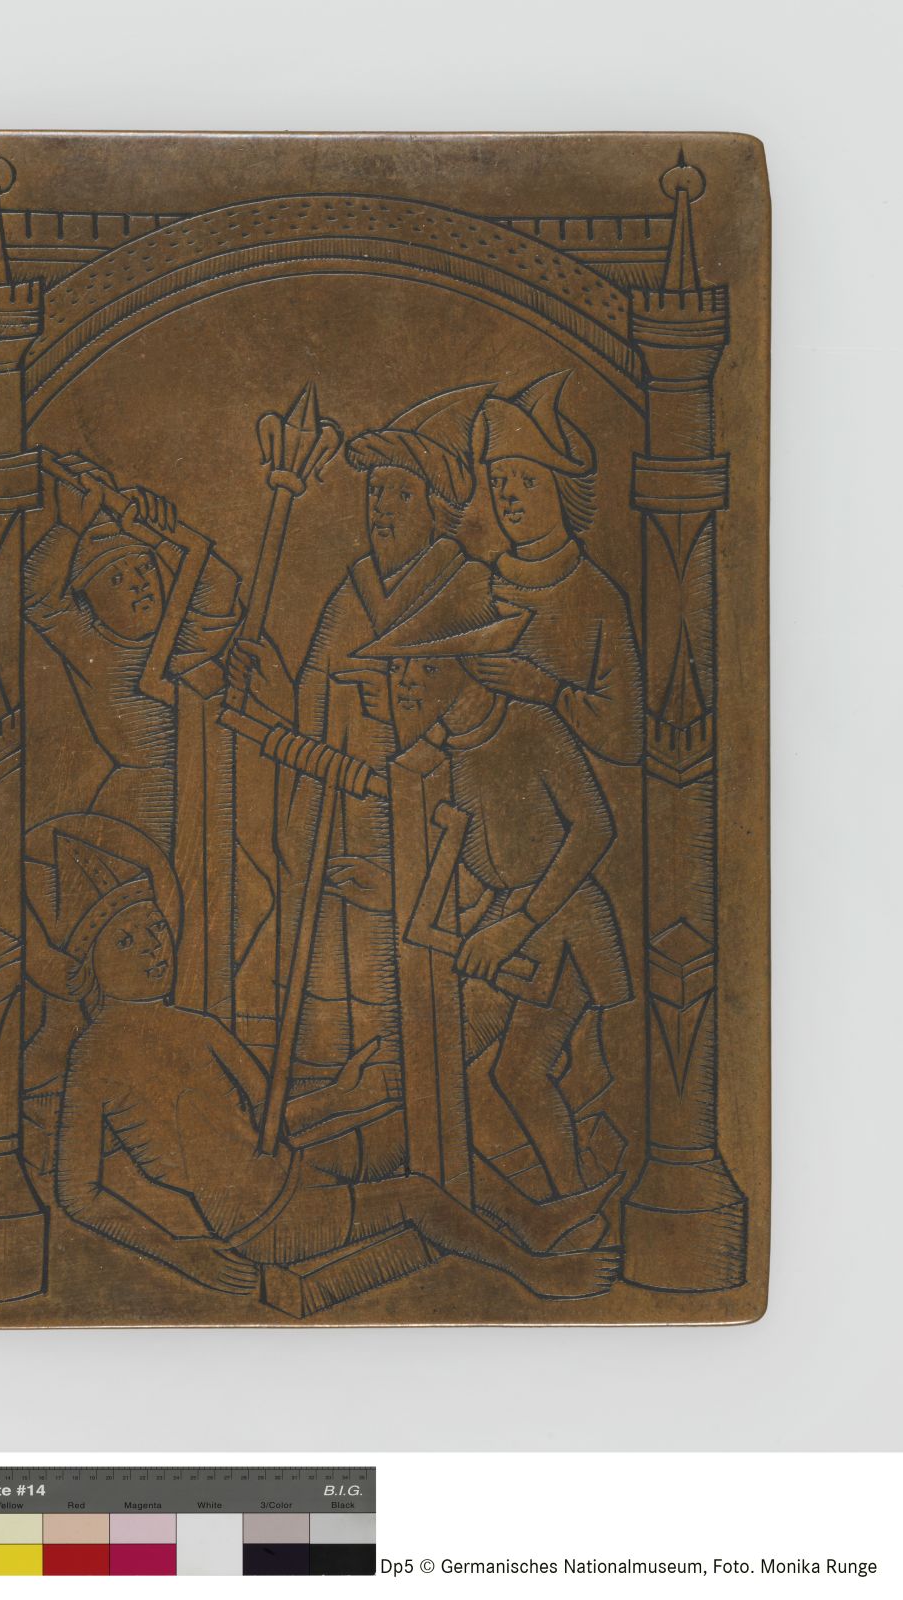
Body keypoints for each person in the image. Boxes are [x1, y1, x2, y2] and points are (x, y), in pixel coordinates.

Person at [53, 836, 622, 1301]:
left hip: (289, 1166)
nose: (152, 947)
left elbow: (276, 1121)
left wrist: (349, 1095)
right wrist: (182, 1254)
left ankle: (534, 1222)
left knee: (418, 1126)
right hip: (264, 1220)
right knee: (416, 1197)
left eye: (155, 927)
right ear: (89, 966)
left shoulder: (197, 1027)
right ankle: (535, 1273)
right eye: (124, 940)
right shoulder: (93, 1056)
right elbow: (78, 1193)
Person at [227, 385, 496, 1078]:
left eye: (400, 492)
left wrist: (400, 717)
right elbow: (311, 699)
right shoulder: (352, 591)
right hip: (334, 812)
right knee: (324, 971)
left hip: (414, 813)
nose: (381, 507)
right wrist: (270, 680)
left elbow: (481, 711)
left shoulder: (465, 589)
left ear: (437, 508)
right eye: (375, 492)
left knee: (402, 981)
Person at [353, 572, 632, 1199]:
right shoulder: (440, 758)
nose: (404, 683)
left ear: (470, 667)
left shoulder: (532, 727)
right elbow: (477, 870)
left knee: (524, 1074)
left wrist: (513, 927)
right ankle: (559, 1197)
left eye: (424, 668)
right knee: (446, 1056)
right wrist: (392, 894)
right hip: (510, 925)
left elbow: (595, 828)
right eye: (399, 669)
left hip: (568, 923)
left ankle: (578, 1199)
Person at [25, 455, 241, 850]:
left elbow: (220, 584)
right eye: (116, 578)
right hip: (137, 807)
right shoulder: (90, 643)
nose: (139, 583)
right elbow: (35, 595)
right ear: (87, 597)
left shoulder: (178, 637)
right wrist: (69, 526)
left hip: (204, 795)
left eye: (144, 566)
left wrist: (161, 534)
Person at [470, 372, 643, 767]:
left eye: (527, 480)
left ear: (563, 490)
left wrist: (545, 690)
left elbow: (628, 740)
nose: (508, 494)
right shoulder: (479, 587)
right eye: (497, 480)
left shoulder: (600, 598)